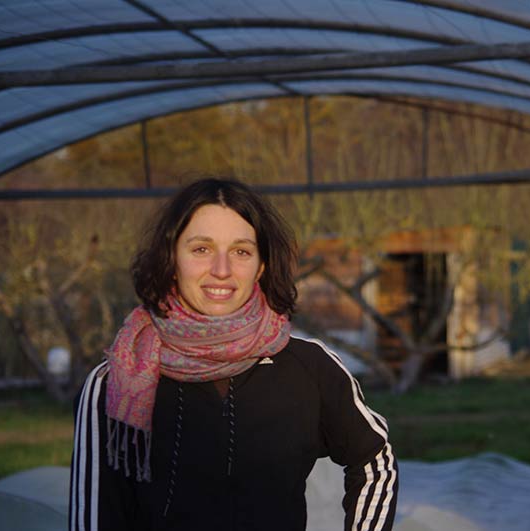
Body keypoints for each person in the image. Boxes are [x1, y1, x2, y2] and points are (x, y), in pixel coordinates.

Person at [69, 178, 398, 531]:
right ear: (171, 259)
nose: (222, 270)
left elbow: (373, 458)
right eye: (201, 249)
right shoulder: (114, 382)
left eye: (241, 251)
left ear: (261, 266)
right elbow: (93, 519)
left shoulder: (309, 367)